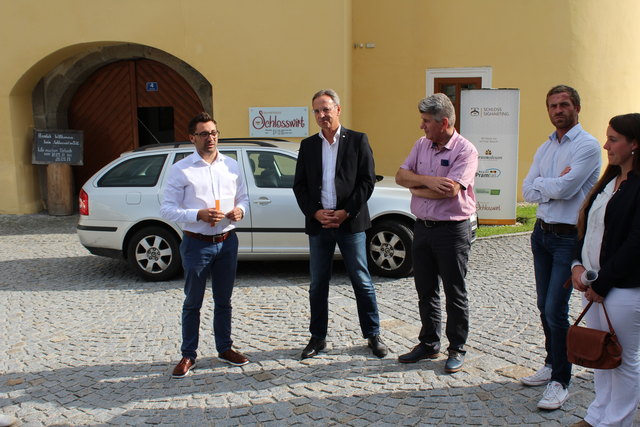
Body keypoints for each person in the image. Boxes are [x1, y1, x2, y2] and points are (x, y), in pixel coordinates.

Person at [521, 85, 601, 409]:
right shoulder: (545, 147)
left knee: (555, 308)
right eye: (553, 105)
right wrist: (550, 184)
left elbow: (567, 190)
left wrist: (546, 183)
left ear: (576, 108)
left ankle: (561, 380)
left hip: (568, 238)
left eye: (564, 104)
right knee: (544, 305)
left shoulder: (588, 145)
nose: (558, 110)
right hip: (541, 235)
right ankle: (552, 361)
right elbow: (527, 191)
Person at [293, 89, 388, 359]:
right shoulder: (308, 146)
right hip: (320, 224)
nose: (321, 115)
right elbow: (299, 186)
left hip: (350, 223)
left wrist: (347, 211)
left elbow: (367, 181)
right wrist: (315, 213)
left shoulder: (358, 140)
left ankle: (373, 335)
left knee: (362, 280)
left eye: (326, 109)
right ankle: (317, 338)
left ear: (338, 109)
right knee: (318, 284)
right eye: (316, 111)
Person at [160, 112, 250, 378]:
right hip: (196, 244)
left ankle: (225, 348)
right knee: (193, 302)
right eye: (203, 134)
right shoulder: (181, 169)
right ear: (192, 138)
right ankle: (188, 354)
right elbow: (167, 209)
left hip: (227, 241)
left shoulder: (231, 165)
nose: (210, 138)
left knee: (224, 300)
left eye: (213, 133)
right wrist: (197, 214)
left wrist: (240, 211)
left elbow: (244, 198)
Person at [395, 93, 478, 373]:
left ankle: (457, 347)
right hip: (422, 227)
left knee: (455, 291)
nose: (422, 126)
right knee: (425, 289)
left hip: (452, 231)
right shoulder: (421, 144)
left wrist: (416, 187)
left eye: (426, 121)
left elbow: (451, 191)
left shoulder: (465, 151)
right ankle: (429, 343)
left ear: (444, 122)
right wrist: (428, 181)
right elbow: (400, 176)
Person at [569, 113, 640, 427]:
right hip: (594, 284)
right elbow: (586, 228)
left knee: (623, 360)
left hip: (623, 289)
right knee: (601, 355)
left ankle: (616, 422)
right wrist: (577, 265)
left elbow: (636, 244)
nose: (606, 145)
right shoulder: (609, 182)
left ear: (634, 144)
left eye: (613, 139)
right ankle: (597, 416)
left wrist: (603, 283)